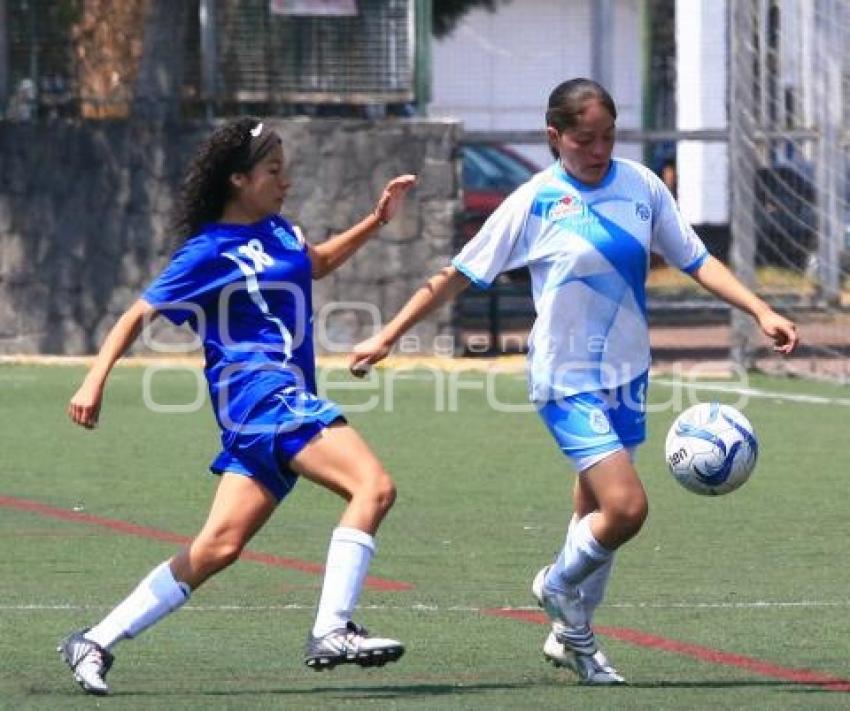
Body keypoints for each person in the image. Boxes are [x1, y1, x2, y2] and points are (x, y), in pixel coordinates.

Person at [349, 78, 798, 685]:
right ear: (554, 136)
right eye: (585, 139)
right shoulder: (536, 200)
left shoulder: (640, 186)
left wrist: (760, 309)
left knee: (593, 509)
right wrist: (388, 334)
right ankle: (557, 586)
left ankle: (572, 640)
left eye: (608, 136)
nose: (599, 149)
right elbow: (458, 273)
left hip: (628, 374)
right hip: (565, 377)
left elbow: (695, 258)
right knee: (627, 507)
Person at [58, 117, 416, 696]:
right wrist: (92, 381)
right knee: (373, 487)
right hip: (263, 396)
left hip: (269, 411)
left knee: (218, 547)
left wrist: (376, 220)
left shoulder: (279, 232)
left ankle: (93, 641)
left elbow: (317, 262)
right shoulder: (207, 252)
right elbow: (137, 315)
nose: (286, 181)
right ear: (238, 180)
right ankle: (332, 627)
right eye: (274, 171)